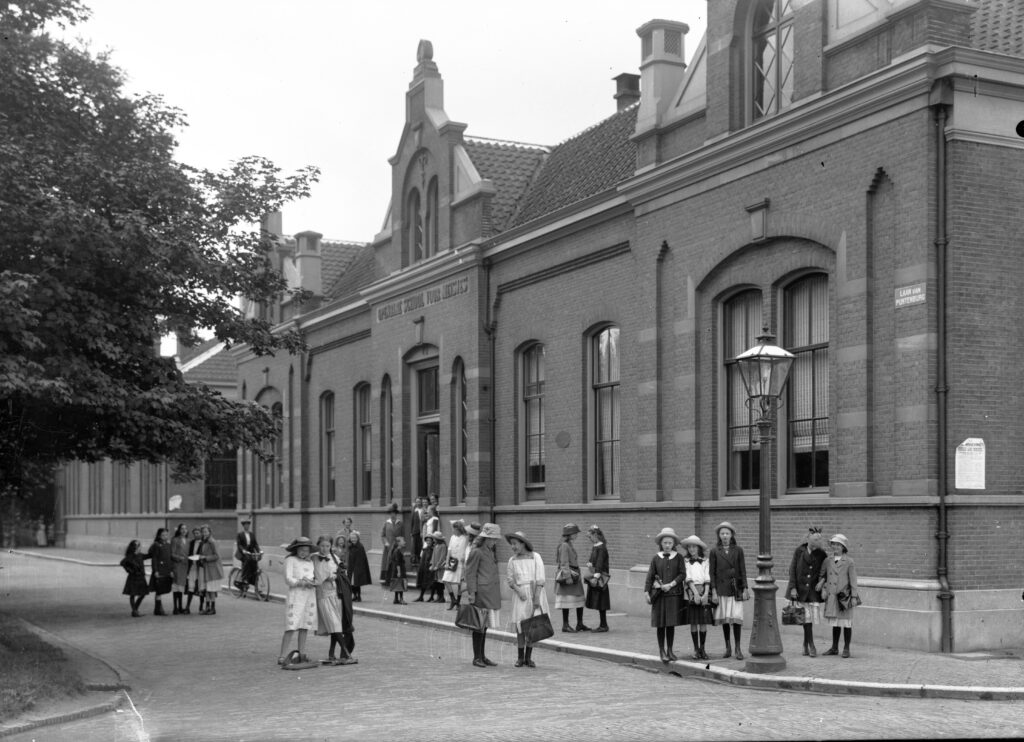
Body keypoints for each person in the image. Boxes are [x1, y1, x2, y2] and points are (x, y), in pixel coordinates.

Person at [505, 530, 549, 668]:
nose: (513, 547)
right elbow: (510, 580)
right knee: (520, 626)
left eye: (515, 543)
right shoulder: (512, 560)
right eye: (511, 544)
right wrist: (519, 591)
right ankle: (520, 657)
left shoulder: (535, 557)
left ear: (523, 543)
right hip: (520, 596)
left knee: (532, 626)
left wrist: (536, 597)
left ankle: (528, 657)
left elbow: (540, 578)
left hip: (534, 592)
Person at [644, 527, 687, 662]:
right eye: (665, 543)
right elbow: (650, 576)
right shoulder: (656, 558)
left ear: (673, 543)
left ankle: (670, 650)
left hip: (673, 596)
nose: (667, 545)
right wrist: (646, 591)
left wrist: (671, 584)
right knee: (660, 624)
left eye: (670, 543)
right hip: (659, 597)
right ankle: (662, 651)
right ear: (661, 544)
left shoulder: (678, 557)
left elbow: (682, 574)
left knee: (670, 624)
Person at [312, 536, 356, 665]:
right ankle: (347, 653)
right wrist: (330, 576)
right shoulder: (314, 558)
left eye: (327, 546)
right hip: (323, 595)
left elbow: (342, 571)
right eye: (322, 546)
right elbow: (319, 578)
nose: (324, 549)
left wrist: (336, 575)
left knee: (336, 625)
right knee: (334, 625)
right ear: (318, 546)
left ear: (331, 546)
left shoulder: (334, 558)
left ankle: (331, 654)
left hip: (336, 595)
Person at [709, 521, 749, 660]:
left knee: (736, 619)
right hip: (721, 589)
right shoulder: (714, 551)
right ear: (719, 536)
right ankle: (728, 648)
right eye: (722, 533)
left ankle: (738, 648)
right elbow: (712, 573)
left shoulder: (738, 550)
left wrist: (745, 588)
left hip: (735, 589)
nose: (725, 536)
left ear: (731, 535)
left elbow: (742, 570)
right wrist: (713, 590)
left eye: (727, 533)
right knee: (725, 619)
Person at [464, 522, 502, 667]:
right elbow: (470, 573)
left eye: (495, 539)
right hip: (480, 594)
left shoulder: (489, 551)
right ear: (485, 538)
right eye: (493, 539)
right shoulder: (477, 551)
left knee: (484, 626)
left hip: (489, 593)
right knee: (479, 625)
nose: (495, 542)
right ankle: (476, 657)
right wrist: (472, 593)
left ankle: (482, 655)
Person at [817, 533, 862, 658]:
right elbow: (823, 575)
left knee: (846, 623)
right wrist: (823, 588)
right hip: (832, 597)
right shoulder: (828, 560)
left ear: (843, 547)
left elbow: (853, 580)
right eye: (834, 544)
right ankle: (834, 647)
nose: (835, 547)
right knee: (835, 623)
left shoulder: (849, 562)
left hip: (844, 597)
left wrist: (854, 596)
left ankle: (846, 648)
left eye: (838, 545)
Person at [787, 526, 828, 657]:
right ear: (808, 539)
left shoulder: (822, 554)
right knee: (807, 619)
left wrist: (822, 582)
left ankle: (806, 644)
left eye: (820, 539)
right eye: (816, 539)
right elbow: (792, 569)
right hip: (800, 590)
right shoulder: (799, 551)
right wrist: (792, 588)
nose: (818, 542)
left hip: (813, 591)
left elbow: (828, 570)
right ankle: (811, 645)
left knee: (808, 619)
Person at [279, 536, 317, 665]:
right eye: (301, 549)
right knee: (291, 625)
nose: (304, 552)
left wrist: (313, 582)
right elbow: (288, 579)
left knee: (304, 626)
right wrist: (301, 582)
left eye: (306, 550)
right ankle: (282, 656)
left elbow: (313, 576)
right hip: (296, 596)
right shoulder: (290, 560)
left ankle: (301, 653)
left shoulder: (310, 562)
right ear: (296, 550)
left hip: (309, 595)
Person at [680, 534, 711, 660]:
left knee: (703, 621)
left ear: (699, 548)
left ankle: (703, 649)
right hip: (691, 591)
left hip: (704, 590)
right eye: (690, 547)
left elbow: (708, 577)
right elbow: (687, 578)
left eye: (694, 547)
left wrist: (705, 594)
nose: (692, 549)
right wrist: (695, 594)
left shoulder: (705, 561)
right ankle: (695, 649)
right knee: (694, 622)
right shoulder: (686, 561)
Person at [554, 523, 589, 632]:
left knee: (580, 600)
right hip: (570, 575)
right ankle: (565, 625)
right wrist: (567, 576)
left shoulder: (569, 544)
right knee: (566, 601)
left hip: (574, 575)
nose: (576, 535)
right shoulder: (565, 545)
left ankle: (580, 624)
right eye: (575, 533)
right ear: (570, 534)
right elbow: (564, 562)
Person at [584, 525, 611, 632]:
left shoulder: (601, 548)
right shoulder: (596, 546)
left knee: (601, 602)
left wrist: (595, 577)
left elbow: (600, 563)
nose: (590, 539)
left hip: (600, 577)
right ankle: (603, 624)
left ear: (595, 535)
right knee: (600, 601)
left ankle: (604, 625)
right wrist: (590, 564)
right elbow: (594, 561)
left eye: (590, 537)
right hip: (596, 575)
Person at [441, 519, 469, 610]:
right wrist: (447, 561)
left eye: (454, 529)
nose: (452, 530)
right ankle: (453, 599)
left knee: (460, 583)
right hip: (452, 562)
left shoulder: (465, 538)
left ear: (458, 529)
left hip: (461, 563)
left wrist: (465, 559)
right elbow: (449, 550)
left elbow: (467, 550)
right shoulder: (452, 537)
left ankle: (458, 602)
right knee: (445, 580)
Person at [197, 525, 223, 616]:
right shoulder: (204, 542)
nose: (204, 533)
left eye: (206, 532)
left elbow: (217, 556)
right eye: (203, 532)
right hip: (206, 569)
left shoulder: (212, 542)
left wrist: (205, 557)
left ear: (209, 532)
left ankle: (213, 608)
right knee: (208, 589)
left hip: (213, 570)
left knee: (211, 590)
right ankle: (207, 607)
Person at [146, 527, 173, 616]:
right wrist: (155, 570)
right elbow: (154, 558)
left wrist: (171, 570)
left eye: (166, 535)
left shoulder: (169, 545)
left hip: (167, 570)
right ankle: (158, 609)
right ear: (159, 536)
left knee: (163, 589)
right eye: (163, 535)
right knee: (159, 589)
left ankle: (157, 609)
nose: (165, 536)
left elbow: (170, 558)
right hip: (159, 570)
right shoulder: (156, 545)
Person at [120, 539, 149, 617]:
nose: (140, 547)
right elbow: (122, 563)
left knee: (142, 594)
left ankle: (134, 610)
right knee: (133, 594)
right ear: (134, 547)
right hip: (133, 577)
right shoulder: (130, 556)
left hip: (141, 577)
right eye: (138, 546)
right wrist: (130, 570)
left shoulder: (140, 555)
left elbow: (149, 555)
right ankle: (135, 610)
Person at [235, 517, 262, 589]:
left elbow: (255, 544)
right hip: (242, 553)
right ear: (243, 526)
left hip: (250, 552)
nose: (247, 526)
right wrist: (243, 550)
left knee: (255, 564)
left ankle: (253, 582)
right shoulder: (240, 534)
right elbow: (239, 544)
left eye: (248, 525)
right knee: (247, 562)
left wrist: (259, 551)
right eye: (245, 525)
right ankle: (244, 579)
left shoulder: (251, 534)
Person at [379, 502, 403, 584]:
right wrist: (385, 543)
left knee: (396, 563)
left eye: (394, 513)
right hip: (388, 547)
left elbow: (403, 535)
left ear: (396, 514)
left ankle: (395, 579)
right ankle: (387, 579)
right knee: (387, 563)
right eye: (391, 513)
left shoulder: (400, 523)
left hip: (397, 547)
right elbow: (382, 535)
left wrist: (400, 545)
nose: (393, 515)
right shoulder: (386, 523)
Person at [170, 523, 190, 614]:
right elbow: (172, 554)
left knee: (181, 588)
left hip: (185, 567)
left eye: (185, 528)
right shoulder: (175, 540)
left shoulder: (188, 540)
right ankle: (175, 608)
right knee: (176, 587)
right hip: (177, 565)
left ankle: (181, 607)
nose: (184, 530)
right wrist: (179, 558)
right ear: (179, 530)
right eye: (182, 528)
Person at [346, 531, 372, 602]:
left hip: (357, 567)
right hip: (351, 567)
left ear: (357, 538)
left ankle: (358, 596)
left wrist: (357, 568)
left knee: (357, 583)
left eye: (354, 538)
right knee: (352, 583)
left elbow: (361, 559)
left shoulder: (360, 546)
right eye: (352, 538)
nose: (353, 539)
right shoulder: (351, 546)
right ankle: (354, 595)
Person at [184, 526, 204, 614]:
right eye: (195, 533)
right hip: (192, 566)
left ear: (201, 533)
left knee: (201, 587)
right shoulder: (191, 542)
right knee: (190, 587)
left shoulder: (204, 543)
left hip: (200, 567)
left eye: (198, 533)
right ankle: (187, 607)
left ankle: (201, 607)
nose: (196, 535)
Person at [384, 535, 408, 604]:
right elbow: (397, 563)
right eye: (403, 541)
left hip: (396, 570)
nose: (405, 542)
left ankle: (396, 599)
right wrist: (399, 572)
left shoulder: (396, 550)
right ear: (398, 543)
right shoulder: (397, 551)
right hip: (399, 570)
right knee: (400, 584)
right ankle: (401, 599)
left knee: (397, 584)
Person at [414, 531, 436, 602]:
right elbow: (423, 558)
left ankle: (432, 596)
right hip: (424, 567)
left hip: (430, 567)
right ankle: (421, 596)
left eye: (430, 540)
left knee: (431, 582)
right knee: (423, 581)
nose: (428, 542)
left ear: (432, 541)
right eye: (427, 540)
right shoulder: (425, 549)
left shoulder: (434, 549)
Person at [428, 529, 448, 603]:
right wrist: (432, 565)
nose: (433, 540)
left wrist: (438, 566)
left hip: (440, 568)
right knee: (436, 582)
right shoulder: (436, 546)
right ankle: (438, 597)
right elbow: (433, 556)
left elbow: (442, 557)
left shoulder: (443, 546)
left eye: (434, 538)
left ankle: (442, 597)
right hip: (435, 568)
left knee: (440, 583)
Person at [410, 497, 425, 566]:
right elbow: (412, 522)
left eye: (419, 501)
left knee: (421, 545)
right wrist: (411, 531)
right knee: (415, 545)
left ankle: (421, 558)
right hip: (415, 530)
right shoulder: (414, 511)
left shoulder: (424, 510)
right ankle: (415, 559)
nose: (418, 503)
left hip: (422, 530)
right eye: (417, 502)